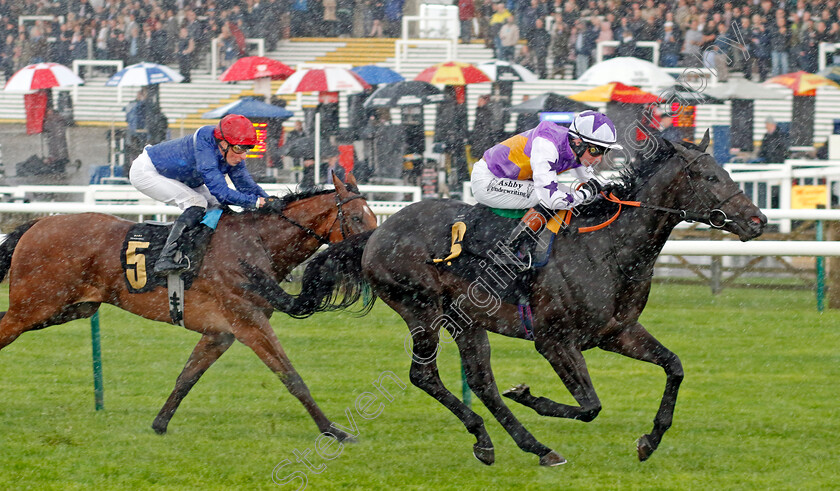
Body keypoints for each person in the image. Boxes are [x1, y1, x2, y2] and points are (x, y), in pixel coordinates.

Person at [129, 114, 271, 276]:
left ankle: (199, 251)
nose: (243, 156)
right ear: (223, 143)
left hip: (178, 177)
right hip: (146, 171)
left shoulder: (229, 151)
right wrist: (256, 203)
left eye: (247, 149)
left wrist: (272, 201)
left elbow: (247, 186)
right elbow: (222, 193)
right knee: (197, 202)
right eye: (239, 149)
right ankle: (165, 258)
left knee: (217, 206)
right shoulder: (205, 144)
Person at [471, 110, 621, 257]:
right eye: (596, 150)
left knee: (569, 194)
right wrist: (585, 193)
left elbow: (592, 182)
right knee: (551, 198)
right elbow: (550, 199)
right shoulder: (546, 145)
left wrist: (613, 187)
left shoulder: (575, 149)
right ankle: (515, 248)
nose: (599, 159)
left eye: (605, 151)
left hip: (512, 179)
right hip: (488, 181)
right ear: (577, 142)